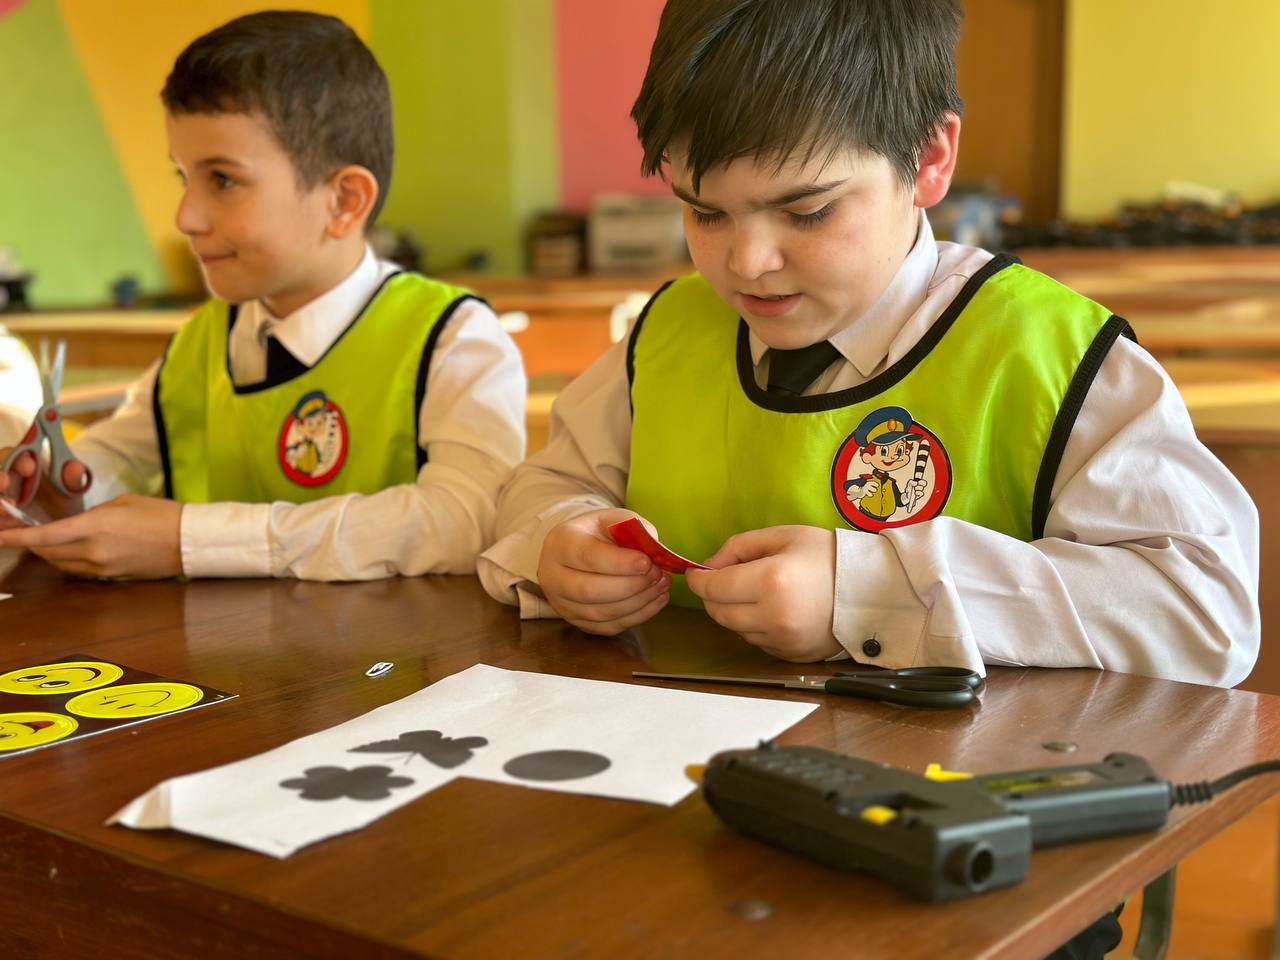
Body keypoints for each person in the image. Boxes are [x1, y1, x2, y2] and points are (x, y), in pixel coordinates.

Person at [478, 0, 1258, 692]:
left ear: (929, 158)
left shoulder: (1052, 355)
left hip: (956, 789)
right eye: (704, 213)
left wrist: (873, 593)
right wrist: (559, 541)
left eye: (807, 212)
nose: (747, 262)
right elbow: (542, 487)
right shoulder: (669, 332)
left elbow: (1206, 611)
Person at [0, 11, 525, 581]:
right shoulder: (202, 339)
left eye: (222, 180)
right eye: (183, 177)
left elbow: (465, 519)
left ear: (344, 201)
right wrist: (55, 488)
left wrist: (192, 540)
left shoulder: (452, 337)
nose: (185, 217)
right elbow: (116, 457)